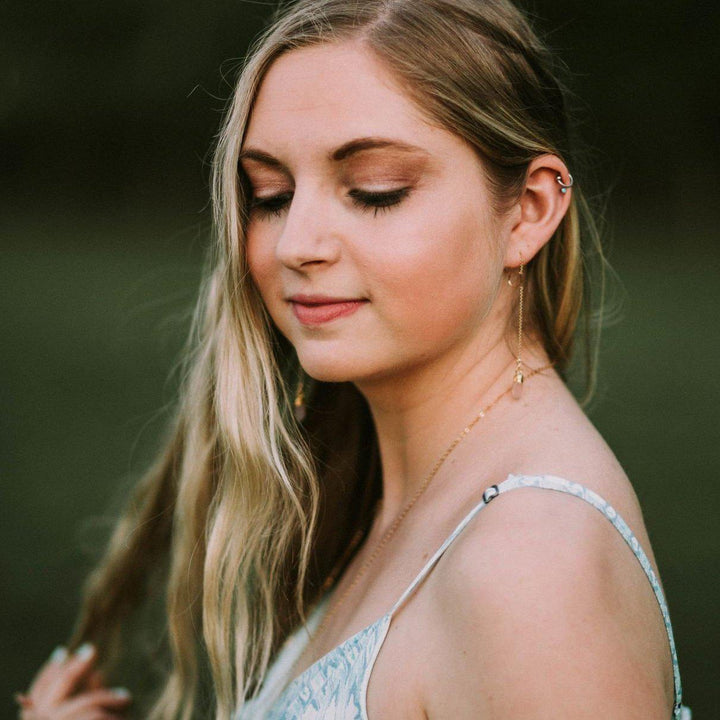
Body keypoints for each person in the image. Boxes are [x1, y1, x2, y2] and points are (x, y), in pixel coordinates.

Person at [17, 0, 691, 718]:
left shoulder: (530, 566)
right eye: (270, 195)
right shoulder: (388, 496)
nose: (295, 243)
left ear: (527, 211)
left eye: (375, 191)